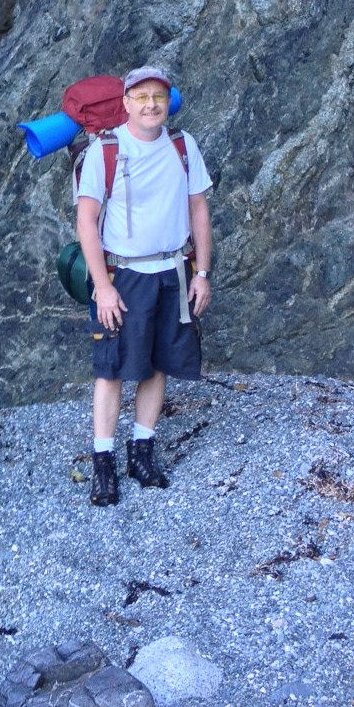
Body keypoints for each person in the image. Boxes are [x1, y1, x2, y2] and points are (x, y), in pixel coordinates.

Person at [74, 65, 213, 506]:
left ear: (167, 101)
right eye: (141, 97)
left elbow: (199, 211)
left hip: (173, 271)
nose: (150, 105)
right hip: (123, 276)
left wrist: (203, 273)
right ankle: (103, 463)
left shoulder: (183, 145)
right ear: (126, 102)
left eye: (158, 97)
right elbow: (86, 221)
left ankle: (142, 452)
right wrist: (102, 286)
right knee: (111, 369)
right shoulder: (105, 151)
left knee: (157, 364)